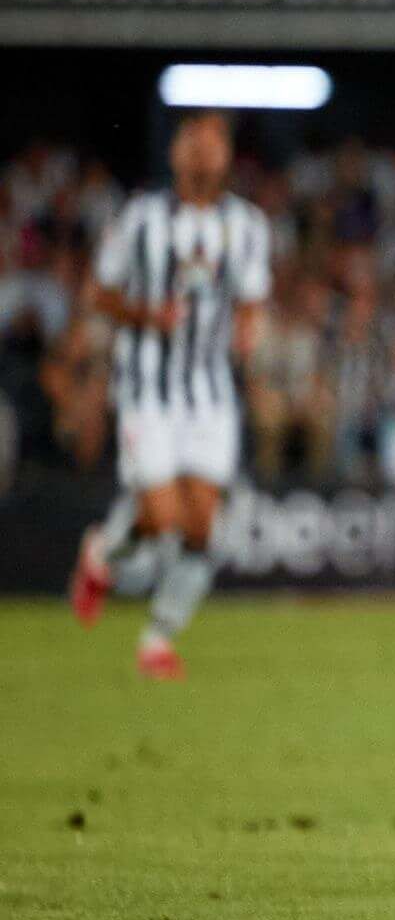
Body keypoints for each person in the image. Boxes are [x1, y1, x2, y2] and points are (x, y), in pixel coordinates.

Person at [67, 111, 272, 679]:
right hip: (147, 388)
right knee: (161, 518)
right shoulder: (140, 218)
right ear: (175, 153)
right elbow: (97, 292)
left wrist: (248, 332)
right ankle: (102, 551)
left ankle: (158, 638)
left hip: (210, 392)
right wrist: (145, 315)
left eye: (213, 144)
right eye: (193, 142)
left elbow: (251, 298)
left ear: (227, 157)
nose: (203, 153)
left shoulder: (248, 225)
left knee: (202, 525)